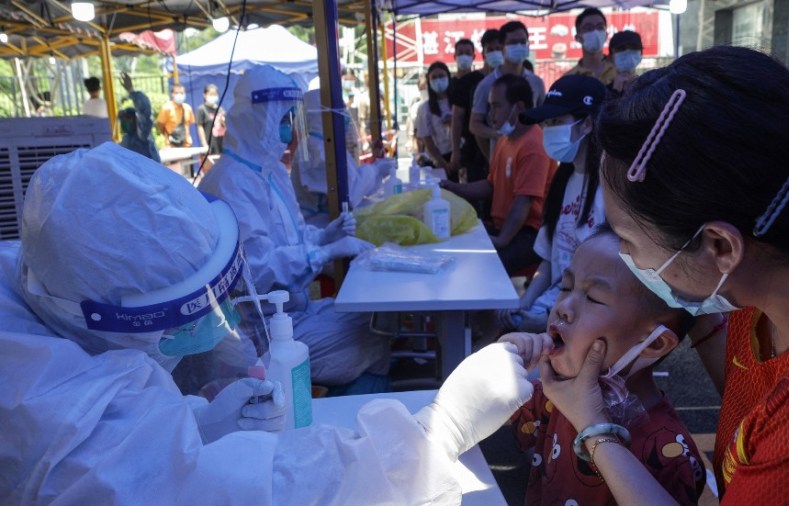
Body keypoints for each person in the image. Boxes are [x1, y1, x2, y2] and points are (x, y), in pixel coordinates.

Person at [0, 141, 536, 504]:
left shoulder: (47, 280)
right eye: (182, 319)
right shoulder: (47, 412)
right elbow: (258, 491)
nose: (213, 325)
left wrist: (196, 420)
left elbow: (147, 439)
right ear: (101, 315)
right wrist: (427, 439)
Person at [548, 46, 789, 504]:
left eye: (628, 241)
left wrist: (595, 429)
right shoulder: (768, 288)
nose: (628, 259)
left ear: (720, 246)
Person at [198, 65, 391, 394]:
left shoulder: (268, 172)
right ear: (259, 119)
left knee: (374, 317)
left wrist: (325, 235)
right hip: (259, 333)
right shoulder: (232, 181)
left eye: (291, 118)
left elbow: (290, 239)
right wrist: (325, 252)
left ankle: (354, 387)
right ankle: (345, 400)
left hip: (290, 312)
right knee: (373, 333)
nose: (289, 130)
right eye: (283, 119)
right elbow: (257, 270)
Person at [501, 229, 706, 505]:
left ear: (653, 344)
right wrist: (504, 364)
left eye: (594, 298)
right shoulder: (552, 397)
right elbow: (476, 414)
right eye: (565, 287)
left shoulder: (669, 451)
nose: (564, 307)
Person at [494, 75, 607, 335]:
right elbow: (548, 263)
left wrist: (548, 322)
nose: (547, 130)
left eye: (556, 121)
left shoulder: (610, 190)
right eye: (547, 123)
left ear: (587, 124)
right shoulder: (563, 181)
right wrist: (525, 301)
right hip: (555, 306)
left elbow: (608, 284)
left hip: (585, 321)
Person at [442, 74, 556, 275]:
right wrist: (452, 188)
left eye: (496, 106)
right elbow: (490, 186)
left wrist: (502, 240)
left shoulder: (534, 145)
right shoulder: (506, 139)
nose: (490, 113)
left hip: (530, 235)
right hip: (504, 226)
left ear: (519, 107)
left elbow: (524, 202)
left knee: (484, 268)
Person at [291, 88, 395, 227]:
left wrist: (377, 172)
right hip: (321, 227)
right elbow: (348, 194)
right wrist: (374, 170)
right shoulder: (316, 149)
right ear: (323, 115)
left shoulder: (327, 144)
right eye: (341, 109)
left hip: (332, 223)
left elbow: (356, 185)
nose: (345, 114)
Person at [470, 21, 546, 162]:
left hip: (532, 154)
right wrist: (499, 133)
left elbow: (544, 119)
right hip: (501, 157)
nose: (518, 46)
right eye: (512, 42)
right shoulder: (486, 85)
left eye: (522, 41)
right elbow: (474, 124)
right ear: (502, 47)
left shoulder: (536, 82)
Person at [450, 29, 502, 189]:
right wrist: (455, 150)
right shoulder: (467, 82)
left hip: (504, 147)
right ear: (483, 53)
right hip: (474, 151)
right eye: (490, 49)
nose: (495, 53)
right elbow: (457, 118)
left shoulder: (509, 81)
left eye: (498, 49)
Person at [416, 61, 454, 172]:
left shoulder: (458, 102)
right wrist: (442, 163)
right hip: (441, 158)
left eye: (442, 76)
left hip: (462, 154)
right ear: (429, 81)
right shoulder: (424, 108)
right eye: (434, 77)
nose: (438, 80)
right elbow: (427, 140)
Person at [116, 72, 160, 163]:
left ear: (136, 120)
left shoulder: (142, 135)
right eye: (123, 118)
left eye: (128, 118)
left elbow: (144, 111)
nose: (125, 121)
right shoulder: (126, 141)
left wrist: (131, 91)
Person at [565, 7, 616, 85]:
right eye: (589, 28)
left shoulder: (619, 72)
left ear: (606, 35)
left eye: (600, 27)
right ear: (578, 38)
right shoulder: (569, 78)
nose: (595, 32)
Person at [156, 83, 195, 148]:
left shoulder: (188, 108)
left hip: (186, 144)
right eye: (176, 93)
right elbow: (160, 124)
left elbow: (190, 123)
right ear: (172, 94)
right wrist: (167, 134)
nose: (179, 95)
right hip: (171, 145)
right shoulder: (166, 108)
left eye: (182, 93)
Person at [608, 30, 643, 95]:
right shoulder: (602, 92)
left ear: (641, 55)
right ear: (610, 58)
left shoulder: (647, 89)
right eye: (621, 49)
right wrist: (615, 92)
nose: (628, 53)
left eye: (634, 48)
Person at [197, 83, 226, 154]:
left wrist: (223, 121)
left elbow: (225, 125)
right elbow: (200, 127)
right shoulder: (202, 109)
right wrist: (204, 144)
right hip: (210, 144)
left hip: (221, 143)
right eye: (211, 94)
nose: (213, 96)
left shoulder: (220, 109)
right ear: (205, 95)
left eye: (215, 94)